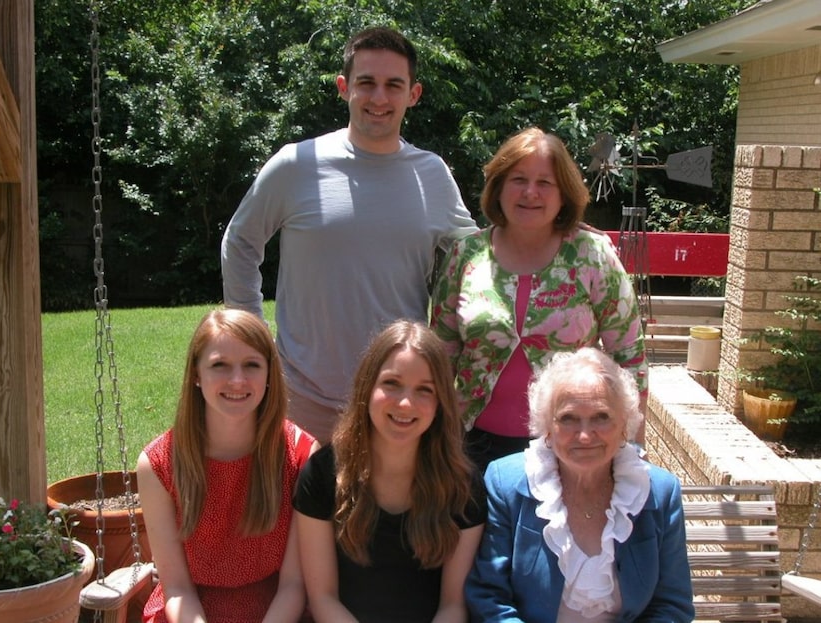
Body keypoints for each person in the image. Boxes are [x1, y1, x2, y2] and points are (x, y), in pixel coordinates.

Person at [221, 26, 477, 443]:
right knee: (296, 509)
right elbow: (241, 241)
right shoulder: (296, 165)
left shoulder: (432, 175)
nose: (379, 98)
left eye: (394, 85)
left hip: (397, 401)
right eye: (366, 83)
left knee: (387, 509)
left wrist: (553, 230)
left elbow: (479, 255)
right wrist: (252, 339)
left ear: (413, 94)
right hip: (301, 398)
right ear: (344, 88)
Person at [431, 127, 647, 471]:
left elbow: (629, 356)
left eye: (545, 182)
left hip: (572, 449)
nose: (530, 192)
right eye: (518, 179)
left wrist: (631, 448)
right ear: (498, 188)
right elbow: (441, 356)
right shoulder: (466, 255)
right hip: (471, 447)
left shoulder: (592, 255)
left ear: (564, 193)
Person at [465, 348, 694, 623]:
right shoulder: (506, 483)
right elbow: (489, 598)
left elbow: (672, 606)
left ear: (624, 424)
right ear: (547, 427)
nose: (585, 436)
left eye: (601, 417)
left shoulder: (659, 492)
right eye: (568, 418)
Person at [293, 320, 486, 623]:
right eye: (392, 384)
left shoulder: (463, 485)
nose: (406, 403)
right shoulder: (322, 474)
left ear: (440, 404)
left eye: (425, 390)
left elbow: (453, 606)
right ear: (367, 387)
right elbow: (322, 598)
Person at [137, 309, 319, 623]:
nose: (237, 380)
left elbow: (294, 584)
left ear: (268, 375)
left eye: (252, 365)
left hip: (277, 610)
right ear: (196, 374)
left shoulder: (302, 454)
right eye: (220, 365)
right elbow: (177, 589)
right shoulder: (158, 463)